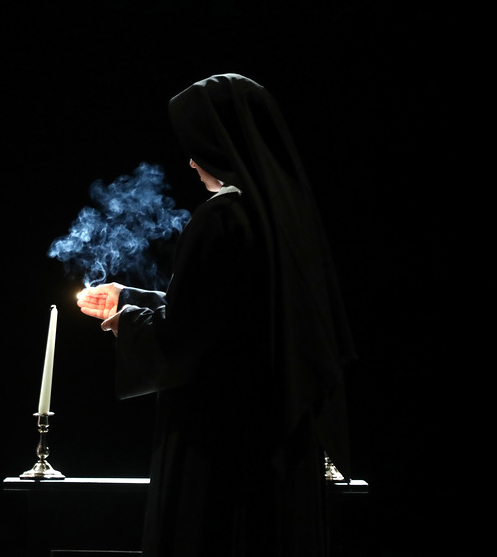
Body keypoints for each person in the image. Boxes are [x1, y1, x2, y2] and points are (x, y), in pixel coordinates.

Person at [77, 74, 354, 556]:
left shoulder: (220, 215)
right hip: (280, 431)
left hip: (222, 438)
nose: (191, 161)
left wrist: (127, 323)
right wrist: (131, 297)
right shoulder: (283, 213)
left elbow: (188, 337)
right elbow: (233, 313)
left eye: (196, 145)